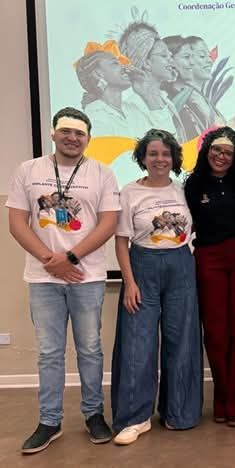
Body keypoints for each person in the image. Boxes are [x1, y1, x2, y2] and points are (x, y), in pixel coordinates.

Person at [6, 107, 121, 453]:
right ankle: (49, 421)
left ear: (89, 138)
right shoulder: (28, 170)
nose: (72, 138)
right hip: (43, 279)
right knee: (49, 353)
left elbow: (108, 224)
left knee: (90, 349)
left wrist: (69, 258)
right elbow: (17, 223)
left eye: (79, 133)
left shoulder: (102, 173)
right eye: (66, 131)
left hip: (87, 277)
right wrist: (50, 261)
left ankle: (93, 415)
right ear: (53, 133)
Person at [111, 129, 202, 445]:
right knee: (138, 343)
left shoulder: (182, 190)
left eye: (166, 154)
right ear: (143, 158)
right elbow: (121, 241)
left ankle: (179, 412)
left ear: (174, 158)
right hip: (143, 268)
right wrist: (129, 283)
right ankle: (134, 419)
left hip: (181, 268)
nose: (160, 159)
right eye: (153, 153)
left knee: (182, 340)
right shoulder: (130, 192)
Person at [184, 126, 235, 426]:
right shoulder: (193, 184)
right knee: (215, 332)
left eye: (228, 152)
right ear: (206, 151)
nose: (221, 156)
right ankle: (222, 398)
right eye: (216, 150)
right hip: (208, 258)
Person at [119, 22, 186, 141]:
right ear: (146, 63)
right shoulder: (129, 107)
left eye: (170, 55)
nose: (171, 61)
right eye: (164, 56)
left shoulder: (167, 102)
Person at [163, 35, 226, 141]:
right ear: (170, 61)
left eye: (192, 57)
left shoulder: (195, 96)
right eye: (187, 57)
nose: (192, 62)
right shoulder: (173, 102)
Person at [75, 40, 132, 137]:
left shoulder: (132, 109)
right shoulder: (95, 116)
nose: (125, 67)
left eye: (121, 63)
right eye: (115, 64)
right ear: (98, 74)